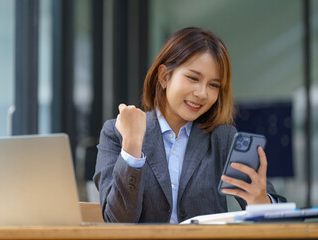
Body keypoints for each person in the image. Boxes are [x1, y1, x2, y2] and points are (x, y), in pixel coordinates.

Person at [93, 27, 286, 224]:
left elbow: (275, 221)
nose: (202, 93)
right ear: (164, 77)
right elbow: (117, 222)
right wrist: (132, 145)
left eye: (213, 85)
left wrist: (260, 201)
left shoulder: (222, 137)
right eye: (193, 78)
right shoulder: (116, 133)